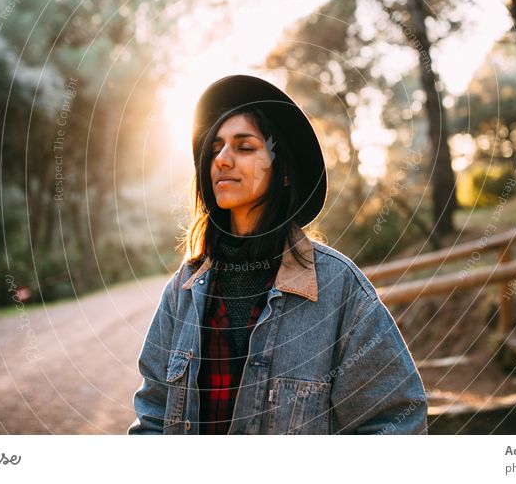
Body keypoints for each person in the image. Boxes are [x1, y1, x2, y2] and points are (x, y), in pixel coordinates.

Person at [128, 74, 427, 435]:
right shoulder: (184, 290)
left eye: (244, 147)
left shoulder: (338, 287)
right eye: (215, 148)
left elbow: (396, 421)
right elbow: (153, 418)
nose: (221, 160)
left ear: (283, 170)